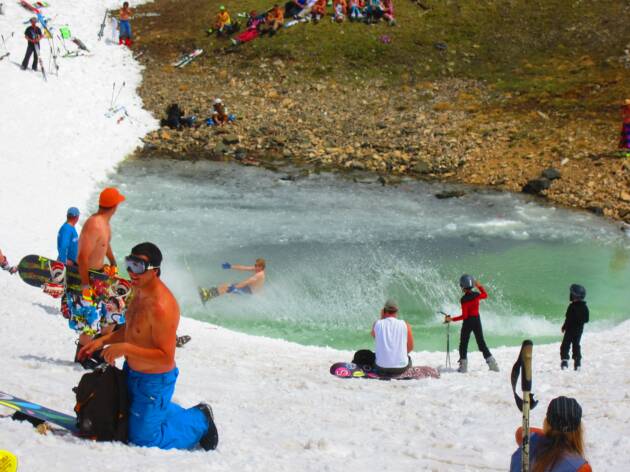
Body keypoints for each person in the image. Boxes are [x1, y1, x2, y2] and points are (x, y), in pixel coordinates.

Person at [79, 242, 218, 451]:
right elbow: (134, 330)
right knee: (123, 420)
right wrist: (101, 341)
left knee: (144, 439)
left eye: (138, 267)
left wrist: (125, 349)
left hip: (154, 382)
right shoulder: (138, 292)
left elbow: (165, 357)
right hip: (132, 373)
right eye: (130, 264)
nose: (132, 272)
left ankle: (201, 420)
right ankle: (161, 411)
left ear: (155, 271)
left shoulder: (162, 307)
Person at [71, 187, 126, 367]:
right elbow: (82, 257)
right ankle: (82, 357)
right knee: (89, 321)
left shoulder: (105, 224)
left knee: (113, 314)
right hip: (88, 279)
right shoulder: (94, 224)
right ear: (114, 205)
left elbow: (105, 244)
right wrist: (85, 285)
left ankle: (98, 352)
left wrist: (112, 261)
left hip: (102, 278)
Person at [510, 396, 591, 472]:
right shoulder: (580, 468)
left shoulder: (527, 444)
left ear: (546, 423)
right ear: (578, 430)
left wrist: (552, 436)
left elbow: (521, 431)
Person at [444, 274, 499, 373]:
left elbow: (465, 316)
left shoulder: (464, 300)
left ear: (463, 287)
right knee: (481, 344)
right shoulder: (477, 295)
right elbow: (485, 295)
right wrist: (479, 286)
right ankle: (493, 365)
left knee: (463, 344)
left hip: (468, 322)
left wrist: (451, 319)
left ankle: (463, 367)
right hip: (477, 320)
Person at [353, 299, 414, 375]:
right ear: (396, 311)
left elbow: (376, 337)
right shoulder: (406, 325)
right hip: (401, 369)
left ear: (384, 310)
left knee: (361, 354)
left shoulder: (377, 324)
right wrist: (398, 354)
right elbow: (411, 347)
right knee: (409, 359)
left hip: (381, 368)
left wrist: (382, 317)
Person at [198, 259, 266, 302]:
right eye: (255, 265)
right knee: (225, 285)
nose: (256, 267)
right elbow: (243, 267)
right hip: (246, 288)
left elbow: (247, 282)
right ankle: (207, 292)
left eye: (258, 266)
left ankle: (207, 297)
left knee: (226, 288)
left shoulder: (259, 275)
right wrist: (230, 266)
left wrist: (235, 287)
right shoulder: (257, 270)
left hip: (248, 292)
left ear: (262, 267)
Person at [560, 284, 589, 371]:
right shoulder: (575, 306)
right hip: (573, 329)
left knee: (571, 345)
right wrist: (564, 326)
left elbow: (585, 319)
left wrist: (574, 322)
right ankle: (569, 362)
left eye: (572, 294)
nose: (570, 295)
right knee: (569, 345)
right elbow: (568, 318)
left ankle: (575, 362)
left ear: (575, 295)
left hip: (573, 330)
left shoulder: (580, 307)